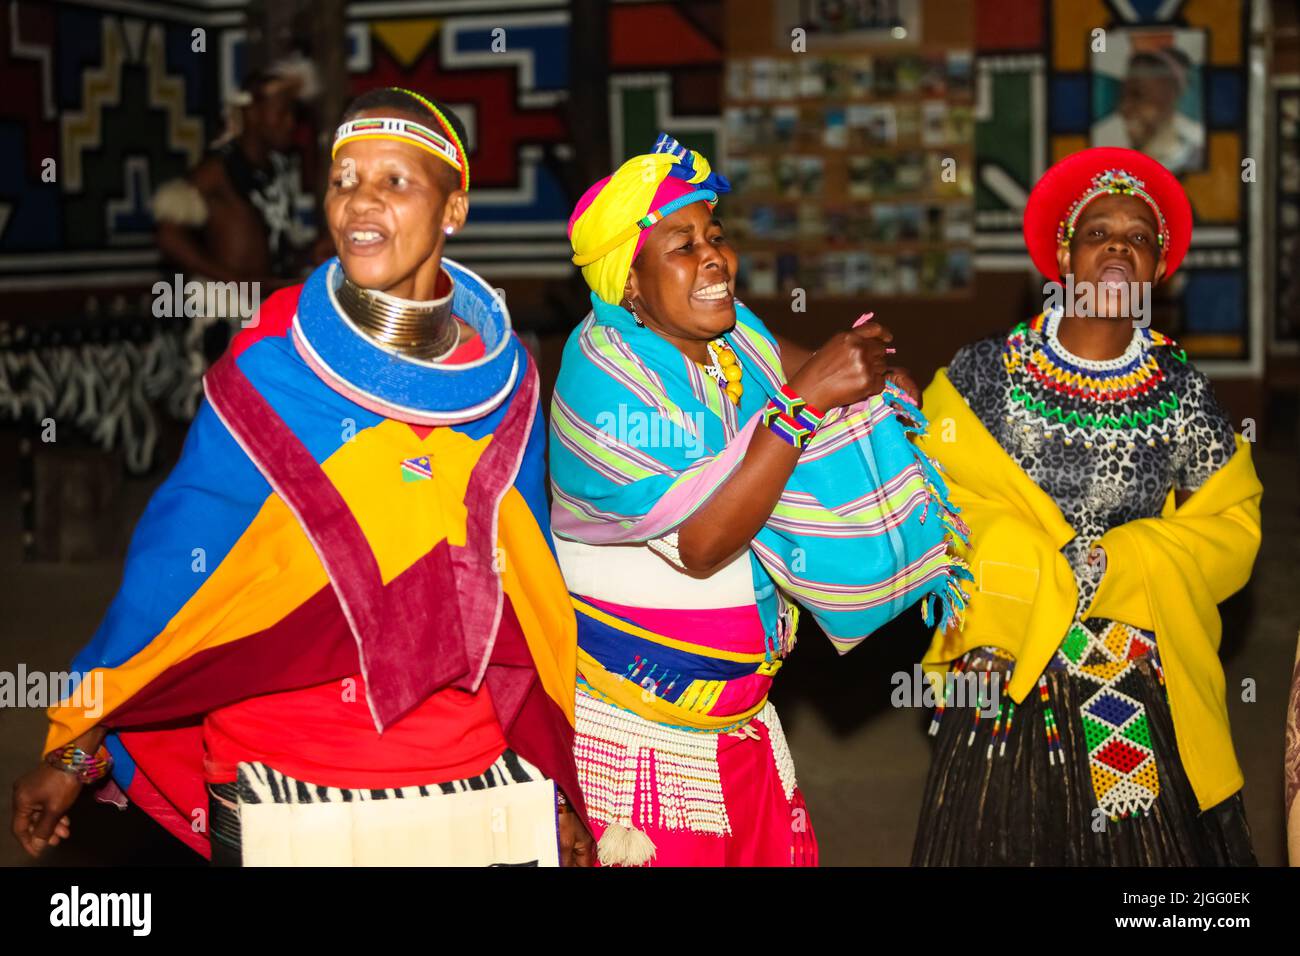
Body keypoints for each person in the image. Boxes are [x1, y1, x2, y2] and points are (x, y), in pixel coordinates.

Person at [12, 87, 592, 867]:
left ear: (453, 208)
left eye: (395, 181)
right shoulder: (271, 364)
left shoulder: (508, 379)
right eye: (345, 177)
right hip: (281, 768)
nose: (360, 201)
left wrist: (553, 780)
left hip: (466, 765)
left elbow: (526, 589)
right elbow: (175, 570)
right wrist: (75, 751)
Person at [551, 133, 970, 866]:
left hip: (742, 719)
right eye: (680, 245)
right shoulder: (603, 375)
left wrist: (868, 377)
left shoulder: (730, 336)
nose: (713, 256)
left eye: (715, 235)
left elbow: (797, 368)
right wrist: (807, 403)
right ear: (629, 283)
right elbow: (702, 544)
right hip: (643, 746)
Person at [912, 146, 1262, 865]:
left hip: (1123, 678)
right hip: (1002, 664)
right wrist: (1003, 583)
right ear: (1064, 258)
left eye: (1139, 238)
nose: (1118, 248)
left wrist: (1121, 562)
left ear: (1157, 272)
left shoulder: (1182, 393)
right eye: (1098, 232)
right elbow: (935, 501)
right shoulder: (986, 374)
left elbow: (1231, 531)